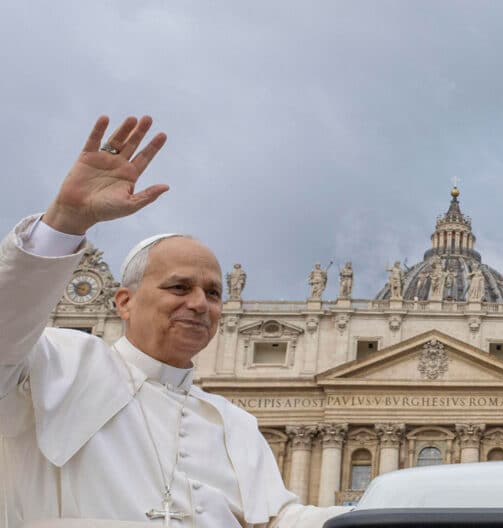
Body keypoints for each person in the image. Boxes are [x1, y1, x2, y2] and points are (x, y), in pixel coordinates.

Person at [0, 116, 349, 527]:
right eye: (180, 287)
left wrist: (387, 516)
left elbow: (276, 520)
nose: (200, 304)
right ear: (124, 302)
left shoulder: (234, 423)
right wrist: (65, 222)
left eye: (213, 292)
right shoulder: (56, 365)